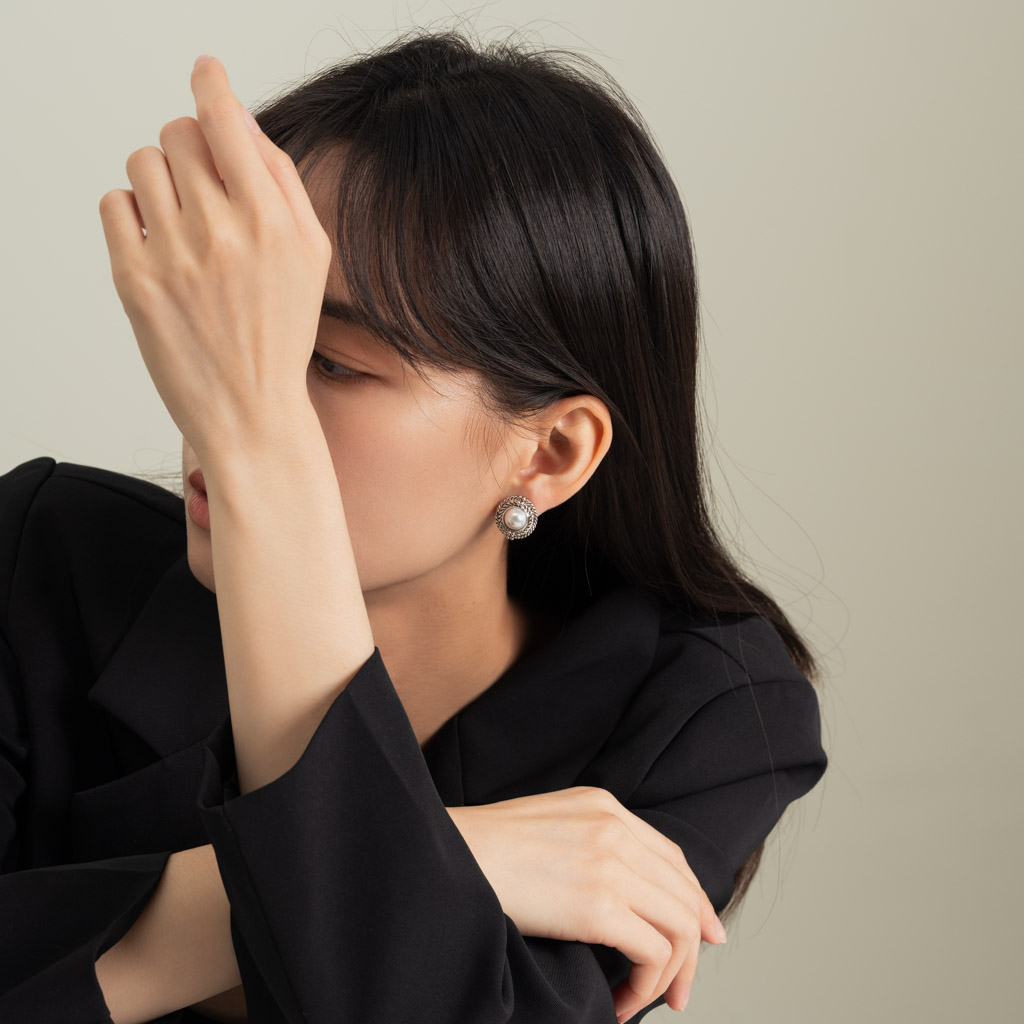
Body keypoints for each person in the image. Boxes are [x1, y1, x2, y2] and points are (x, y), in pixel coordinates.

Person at [0, 27, 828, 1024]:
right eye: (238, 336)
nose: (226, 407)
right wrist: (446, 855)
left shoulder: (693, 707)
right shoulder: (40, 561)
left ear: (551, 453)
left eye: (331, 363)